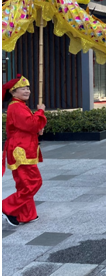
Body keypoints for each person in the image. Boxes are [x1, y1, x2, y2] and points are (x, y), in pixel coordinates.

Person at [2, 74, 47, 226]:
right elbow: (31, 125)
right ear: (13, 93)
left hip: (24, 148)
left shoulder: (19, 106)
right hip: (21, 150)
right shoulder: (16, 107)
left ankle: (26, 215)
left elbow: (31, 126)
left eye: (27, 88)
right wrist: (40, 112)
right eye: (22, 88)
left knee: (24, 183)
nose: (27, 91)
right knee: (33, 182)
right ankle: (6, 207)